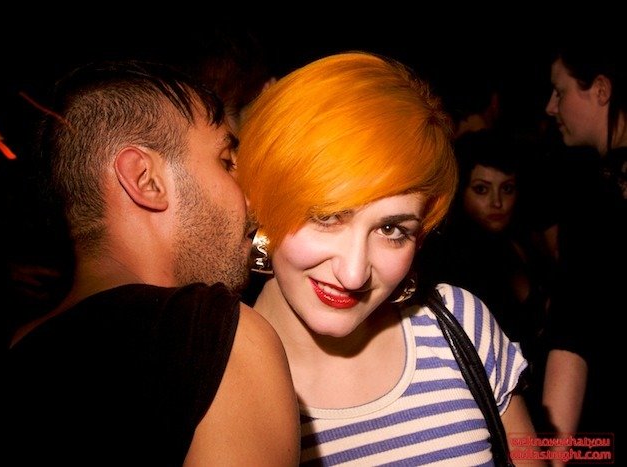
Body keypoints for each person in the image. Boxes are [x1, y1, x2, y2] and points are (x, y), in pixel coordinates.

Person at [237, 52, 540, 466]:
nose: (353, 274)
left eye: (392, 229)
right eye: (327, 216)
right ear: (264, 200)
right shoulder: (212, 382)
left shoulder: (462, 324)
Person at [6, 60, 300, 465]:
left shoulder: (15, 352)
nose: (249, 197)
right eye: (226, 160)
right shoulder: (218, 335)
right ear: (145, 179)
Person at [419, 129, 553, 430]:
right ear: (461, 192)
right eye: (481, 189)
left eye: (507, 189)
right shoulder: (453, 261)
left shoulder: (524, 244)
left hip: (538, 399)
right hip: (494, 409)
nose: (496, 202)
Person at [542, 38, 625, 440]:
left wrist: (545, 457)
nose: (550, 107)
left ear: (601, 90)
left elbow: (572, 332)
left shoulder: (597, 200)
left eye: (560, 92)